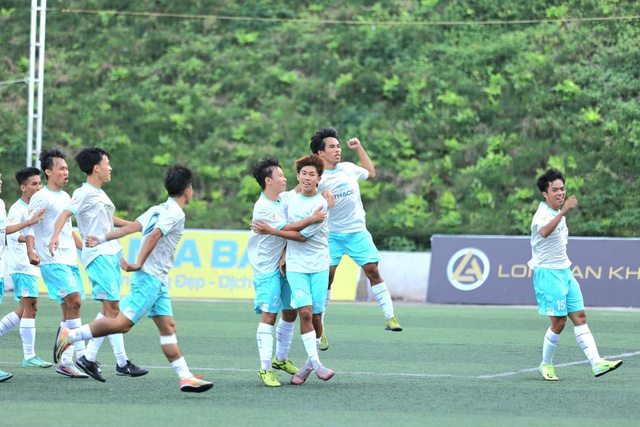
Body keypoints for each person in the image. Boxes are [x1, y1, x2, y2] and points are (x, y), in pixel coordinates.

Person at [54, 166, 213, 393]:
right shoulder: (175, 213)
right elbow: (154, 236)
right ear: (188, 191)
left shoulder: (158, 209)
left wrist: (100, 238)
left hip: (158, 281)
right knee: (121, 323)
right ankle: (71, 335)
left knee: (168, 326)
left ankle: (185, 376)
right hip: (149, 278)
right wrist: (138, 263)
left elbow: (129, 228)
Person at [48, 147, 148, 380]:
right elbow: (65, 214)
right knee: (114, 313)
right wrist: (54, 236)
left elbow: (107, 219)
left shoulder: (99, 194)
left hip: (110, 254)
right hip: (98, 256)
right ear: (96, 167)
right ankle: (81, 348)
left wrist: (136, 225)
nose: (110, 167)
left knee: (109, 312)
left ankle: (109, 361)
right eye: (107, 163)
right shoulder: (83, 192)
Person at [310, 127, 402, 351]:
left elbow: (371, 173)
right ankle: (320, 330)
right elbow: (301, 195)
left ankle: (390, 317)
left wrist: (359, 148)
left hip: (357, 232)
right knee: (327, 278)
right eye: (332, 147)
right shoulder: (317, 177)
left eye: (338, 146)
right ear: (321, 153)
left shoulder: (349, 169)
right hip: (331, 235)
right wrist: (318, 193)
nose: (337, 150)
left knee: (372, 270)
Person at [529, 168, 622, 381]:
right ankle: (546, 365)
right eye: (555, 190)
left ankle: (597, 363)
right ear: (545, 193)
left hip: (565, 272)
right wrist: (563, 211)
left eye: (562, 188)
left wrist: (561, 212)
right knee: (559, 322)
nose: (560, 193)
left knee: (580, 317)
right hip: (548, 274)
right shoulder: (543, 214)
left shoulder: (556, 212)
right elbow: (543, 232)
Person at [247, 157, 327, 387]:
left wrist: (324, 192)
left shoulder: (282, 199)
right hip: (266, 268)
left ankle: (280, 360)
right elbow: (288, 229)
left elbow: (301, 187)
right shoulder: (263, 206)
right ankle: (264, 369)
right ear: (268, 180)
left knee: (290, 312)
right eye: (280, 176)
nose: (285, 179)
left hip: (285, 265)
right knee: (269, 316)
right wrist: (311, 218)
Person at [24, 147, 90, 379]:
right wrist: (31, 251)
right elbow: (30, 226)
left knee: (69, 311)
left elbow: (68, 230)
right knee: (76, 301)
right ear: (48, 171)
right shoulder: (41, 196)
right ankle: (82, 357)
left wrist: (88, 248)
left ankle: (66, 362)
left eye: (67, 168)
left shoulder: (65, 197)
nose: (66, 172)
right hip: (52, 260)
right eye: (61, 168)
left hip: (69, 259)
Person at [280, 154, 334, 385]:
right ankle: (318, 364)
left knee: (318, 317)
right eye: (304, 173)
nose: (307, 177)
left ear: (319, 179)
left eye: (312, 174)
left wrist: (275, 230)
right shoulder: (288, 198)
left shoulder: (321, 204)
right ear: (298, 176)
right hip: (296, 266)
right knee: (305, 313)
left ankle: (308, 365)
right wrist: (283, 250)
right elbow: (281, 223)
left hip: (320, 264)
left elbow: (301, 236)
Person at [0, 168, 52, 373]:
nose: (38, 187)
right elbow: (10, 235)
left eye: (40, 183)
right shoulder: (17, 208)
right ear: (23, 187)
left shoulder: (24, 206)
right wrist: (29, 235)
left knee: (28, 309)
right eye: (34, 184)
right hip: (22, 264)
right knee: (30, 309)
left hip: (27, 265)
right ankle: (29, 356)